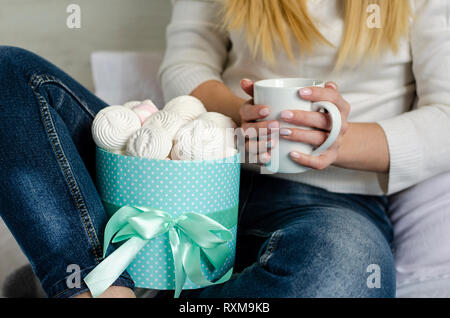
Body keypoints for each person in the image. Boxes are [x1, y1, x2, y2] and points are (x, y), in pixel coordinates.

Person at [0, 0, 448, 298]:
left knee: (339, 274)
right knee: (11, 74)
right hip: (190, 165)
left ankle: (100, 284)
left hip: (331, 204)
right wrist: (240, 113)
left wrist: (336, 141)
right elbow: (186, 62)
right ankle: (104, 286)